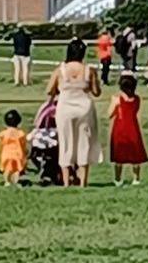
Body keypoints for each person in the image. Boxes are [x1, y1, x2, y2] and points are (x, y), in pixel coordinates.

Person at [46, 37, 102, 186]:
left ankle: (66, 181)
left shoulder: (61, 70)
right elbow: (96, 92)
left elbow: (49, 90)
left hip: (65, 109)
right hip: (84, 108)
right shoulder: (89, 70)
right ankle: (83, 181)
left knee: (66, 143)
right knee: (84, 143)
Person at [108, 74, 148, 185]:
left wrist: (114, 104)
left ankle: (118, 179)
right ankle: (136, 178)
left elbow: (109, 114)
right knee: (135, 156)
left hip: (119, 129)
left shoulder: (117, 99)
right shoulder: (137, 99)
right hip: (133, 128)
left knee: (118, 157)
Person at [0, 110, 27, 187]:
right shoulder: (20, 133)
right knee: (16, 170)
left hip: (6, 154)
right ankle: (15, 181)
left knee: (7, 169)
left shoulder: (3, 133)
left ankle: (7, 181)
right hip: (17, 154)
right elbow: (23, 144)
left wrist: (0, 152)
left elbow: (1, 144)